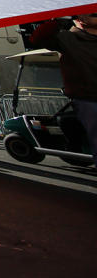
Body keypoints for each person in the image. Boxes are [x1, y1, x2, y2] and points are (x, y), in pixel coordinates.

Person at [31, 10, 97, 167]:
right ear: (79, 17)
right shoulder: (68, 38)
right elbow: (38, 38)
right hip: (90, 98)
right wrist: (59, 19)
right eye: (90, 11)